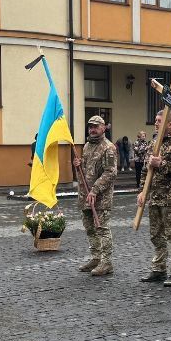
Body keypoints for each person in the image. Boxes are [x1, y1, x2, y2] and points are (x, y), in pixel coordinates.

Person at [138, 110, 171, 287]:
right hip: (155, 196)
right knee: (156, 235)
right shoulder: (154, 142)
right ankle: (159, 269)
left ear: (170, 124)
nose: (156, 123)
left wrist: (162, 163)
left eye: (159, 120)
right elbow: (146, 170)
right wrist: (142, 191)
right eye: (155, 120)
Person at [73, 115, 117, 277]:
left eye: (96, 126)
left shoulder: (108, 147)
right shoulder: (86, 146)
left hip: (100, 197)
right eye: (90, 126)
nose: (92, 129)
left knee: (102, 228)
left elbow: (110, 173)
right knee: (90, 228)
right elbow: (85, 172)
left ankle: (106, 262)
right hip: (86, 195)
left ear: (103, 128)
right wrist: (78, 166)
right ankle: (96, 257)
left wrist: (95, 190)